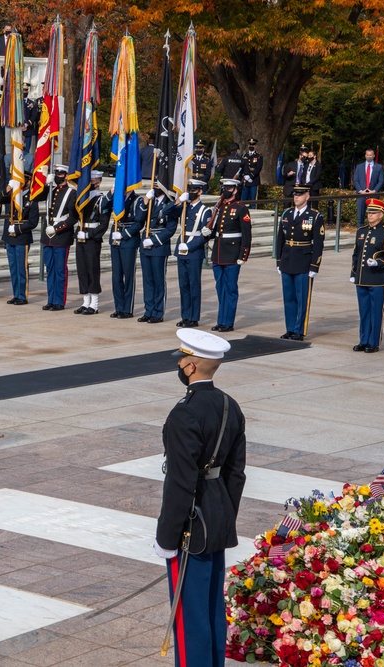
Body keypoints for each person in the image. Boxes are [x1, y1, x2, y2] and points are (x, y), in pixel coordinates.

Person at [156, 328, 246, 667]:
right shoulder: (229, 405)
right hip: (217, 515)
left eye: (183, 358)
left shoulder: (184, 413)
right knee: (210, 608)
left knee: (189, 616)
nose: (180, 363)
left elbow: (181, 481)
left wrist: (166, 536)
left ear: (191, 366)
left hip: (191, 525)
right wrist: (224, 515)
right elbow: (235, 474)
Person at [351, 198, 384, 353]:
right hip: (362, 278)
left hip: (378, 279)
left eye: (374, 213)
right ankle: (363, 340)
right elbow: (356, 254)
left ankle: (373, 342)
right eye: (369, 212)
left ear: (381, 215)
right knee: (364, 311)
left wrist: (379, 263)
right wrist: (353, 273)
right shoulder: (361, 231)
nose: (370, 215)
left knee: (376, 311)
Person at [276, 186, 324, 341]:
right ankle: (290, 328)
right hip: (287, 260)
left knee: (302, 298)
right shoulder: (287, 214)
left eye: (300, 194)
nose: (296, 197)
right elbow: (280, 240)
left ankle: (299, 330)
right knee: (288, 297)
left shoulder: (314, 216)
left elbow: (318, 243)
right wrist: (278, 261)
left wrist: (314, 265)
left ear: (307, 196)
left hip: (303, 260)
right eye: (295, 195)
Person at [209, 178, 252, 332]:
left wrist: (243, 255)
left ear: (234, 190)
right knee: (220, 288)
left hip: (233, 254)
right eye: (223, 187)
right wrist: (208, 233)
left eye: (228, 188)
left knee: (230, 289)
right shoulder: (219, 208)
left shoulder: (241, 208)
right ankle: (221, 320)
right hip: (218, 252)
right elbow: (216, 229)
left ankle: (228, 322)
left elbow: (246, 234)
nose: (224, 190)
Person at [168, 179, 213, 328]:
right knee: (183, 286)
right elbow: (166, 212)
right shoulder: (184, 207)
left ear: (200, 191)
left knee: (194, 285)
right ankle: (185, 316)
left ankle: (193, 317)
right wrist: (178, 201)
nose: (190, 193)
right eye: (189, 190)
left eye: (193, 190)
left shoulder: (205, 210)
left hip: (193, 251)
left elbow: (205, 234)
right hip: (181, 249)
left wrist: (189, 246)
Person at [39, 165, 76, 311]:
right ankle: (51, 299)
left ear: (66, 176)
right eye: (56, 173)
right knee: (50, 270)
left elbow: (73, 217)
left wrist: (57, 228)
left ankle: (59, 301)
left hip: (61, 236)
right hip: (48, 236)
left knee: (60, 270)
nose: (57, 175)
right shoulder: (50, 191)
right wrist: (44, 183)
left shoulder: (71, 193)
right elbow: (37, 197)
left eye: (60, 173)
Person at [73, 173, 111, 315]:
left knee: (92, 269)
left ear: (98, 183)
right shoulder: (82, 198)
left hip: (92, 238)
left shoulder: (102, 200)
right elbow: (73, 214)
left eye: (92, 182)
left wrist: (89, 234)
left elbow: (104, 224)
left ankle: (94, 304)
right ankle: (85, 301)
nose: (88, 184)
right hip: (80, 235)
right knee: (82, 269)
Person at [138, 187, 175, 324]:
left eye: (159, 185)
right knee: (147, 280)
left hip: (159, 246)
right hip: (145, 244)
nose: (156, 187)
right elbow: (139, 218)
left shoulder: (170, 203)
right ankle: (148, 310)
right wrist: (145, 201)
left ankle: (158, 312)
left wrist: (153, 241)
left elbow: (171, 228)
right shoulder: (150, 201)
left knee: (158, 281)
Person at [108, 191, 142, 319]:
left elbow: (139, 222)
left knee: (128, 276)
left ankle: (127, 309)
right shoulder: (117, 197)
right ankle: (119, 307)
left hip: (128, 240)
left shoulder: (137, 200)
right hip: (115, 238)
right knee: (116, 276)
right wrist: (111, 194)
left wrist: (124, 234)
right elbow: (104, 206)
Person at [353, 148, 384, 225]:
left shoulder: (379, 167)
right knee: (360, 218)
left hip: (373, 196)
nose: (369, 156)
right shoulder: (359, 167)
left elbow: (381, 181)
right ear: (365, 156)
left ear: (373, 156)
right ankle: (360, 235)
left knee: (374, 218)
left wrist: (374, 191)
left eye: (371, 155)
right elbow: (356, 180)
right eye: (367, 155)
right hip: (361, 195)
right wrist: (360, 191)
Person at [239, 138, 262, 203]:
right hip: (245, 181)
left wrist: (250, 176)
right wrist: (244, 176)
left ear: (255, 146)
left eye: (253, 144)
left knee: (253, 201)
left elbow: (258, 168)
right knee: (243, 201)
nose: (251, 146)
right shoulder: (244, 156)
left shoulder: (258, 156)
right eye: (250, 144)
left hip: (254, 180)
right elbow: (241, 167)